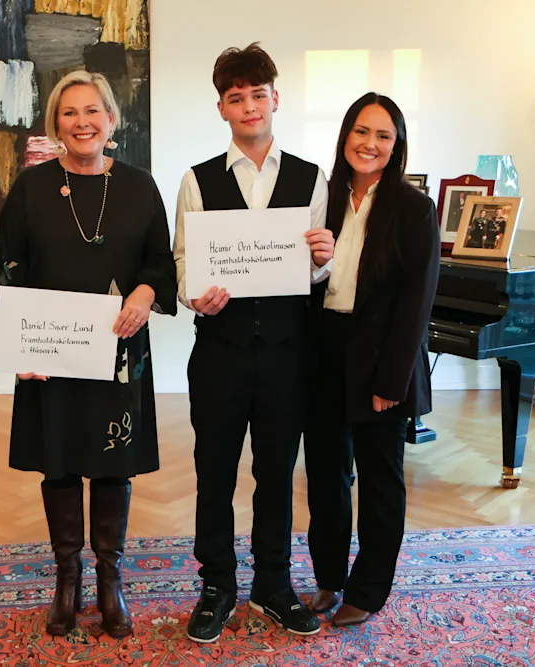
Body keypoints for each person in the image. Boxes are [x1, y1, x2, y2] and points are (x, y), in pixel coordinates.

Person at [0, 70, 177, 639]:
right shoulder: (31, 189)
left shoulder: (141, 186)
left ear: (112, 120)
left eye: (93, 111)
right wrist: (18, 343)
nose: (82, 122)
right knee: (61, 460)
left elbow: (159, 265)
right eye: (69, 113)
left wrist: (144, 294)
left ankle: (110, 579)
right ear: (56, 124)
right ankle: (67, 579)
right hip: (51, 356)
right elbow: (6, 270)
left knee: (113, 461)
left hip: (119, 352)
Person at [171, 43, 335, 643]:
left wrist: (324, 259)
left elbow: (317, 271)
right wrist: (195, 295)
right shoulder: (197, 179)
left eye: (257, 94)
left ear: (275, 100)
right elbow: (184, 261)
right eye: (235, 97)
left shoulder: (312, 178)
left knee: (275, 473)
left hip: (289, 353)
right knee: (213, 471)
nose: (248, 106)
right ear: (221, 108)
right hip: (219, 351)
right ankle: (217, 584)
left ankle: (273, 584)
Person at [304, 92, 440, 627]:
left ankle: (368, 590)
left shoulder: (412, 208)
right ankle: (328, 579)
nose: (370, 143)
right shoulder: (323, 196)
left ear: (396, 145)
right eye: (362, 131)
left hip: (381, 360)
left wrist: (394, 379)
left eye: (383, 135)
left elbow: (416, 304)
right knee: (324, 476)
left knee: (380, 482)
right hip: (323, 353)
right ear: (345, 137)